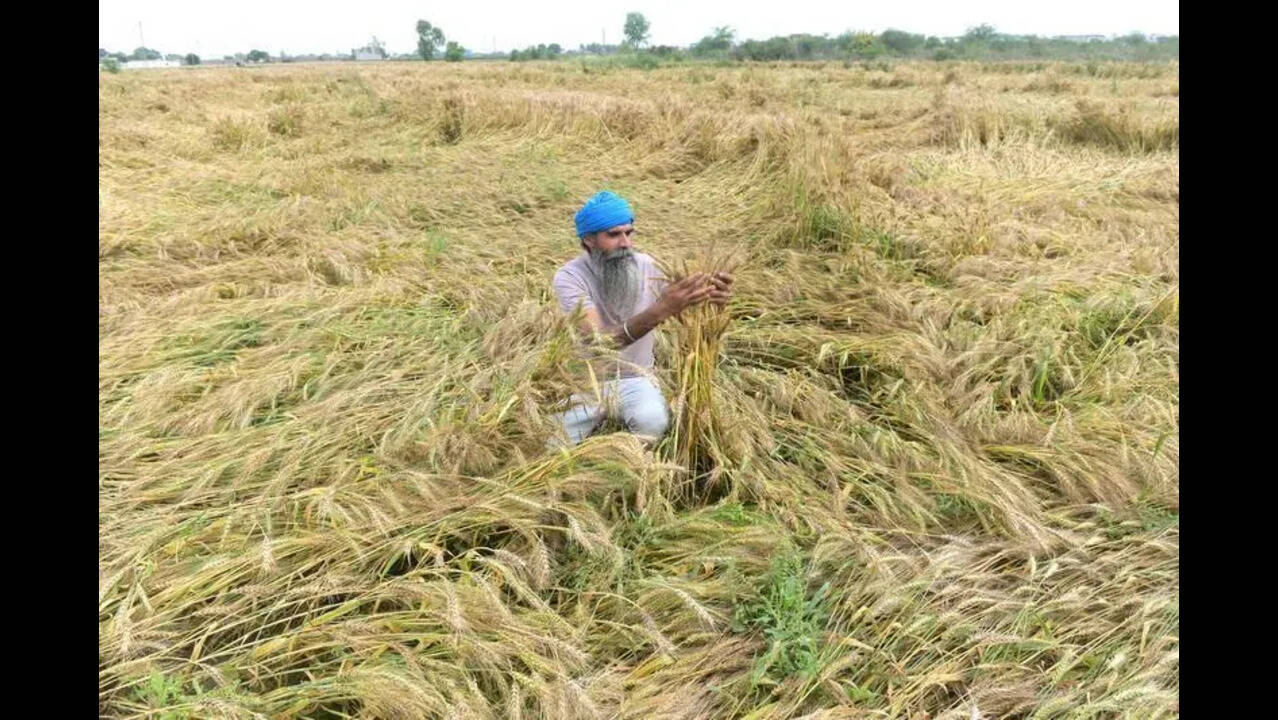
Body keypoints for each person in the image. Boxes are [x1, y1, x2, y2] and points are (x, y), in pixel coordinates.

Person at [549, 190, 733, 446]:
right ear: (588, 240)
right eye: (613, 235)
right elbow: (599, 344)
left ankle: (627, 466)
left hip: (635, 378)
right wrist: (661, 309)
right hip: (585, 381)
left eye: (628, 232)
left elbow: (688, 314)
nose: (625, 243)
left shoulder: (648, 266)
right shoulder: (570, 277)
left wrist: (714, 298)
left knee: (653, 423)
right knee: (553, 442)